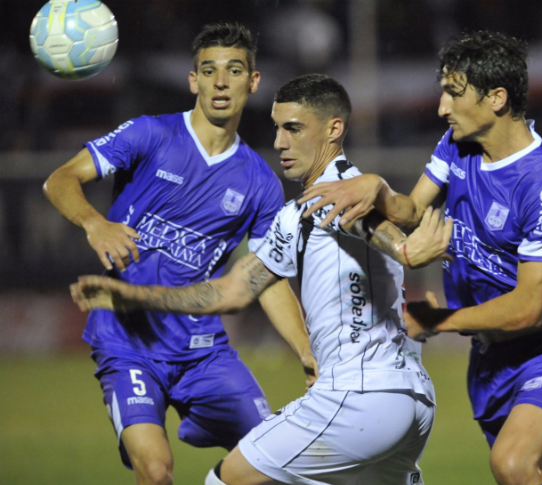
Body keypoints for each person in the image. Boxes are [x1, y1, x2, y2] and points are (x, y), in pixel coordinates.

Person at [70, 74, 452, 485]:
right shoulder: (304, 209)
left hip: (358, 397)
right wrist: (134, 297)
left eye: (294, 128)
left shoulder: (336, 195)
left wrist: (404, 249)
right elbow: (233, 289)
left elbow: (368, 226)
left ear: (333, 129)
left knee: (225, 480)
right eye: (277, 127)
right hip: (412, 400)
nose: (279, 142)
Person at [298, 31, 542, 485]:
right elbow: (412, 212)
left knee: (513, 465)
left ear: (496, 98)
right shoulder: (457, 145)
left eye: (453, 93)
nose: (441, 106)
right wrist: (377, 188)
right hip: (489, 364)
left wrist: (438, 321)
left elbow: (529, 308)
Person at [44, 23, 315, 485]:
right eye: (208, 70)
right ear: (194, 80)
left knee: (276, 463)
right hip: (127, 341)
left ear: (253, 82)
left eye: (233, 70)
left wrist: (308, 354)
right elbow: (60, 179)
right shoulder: (151, 136)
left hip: (202, 351)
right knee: (155, 471)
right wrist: (97, 224)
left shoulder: (260, 184)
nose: (220, 81)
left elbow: (265, 278)